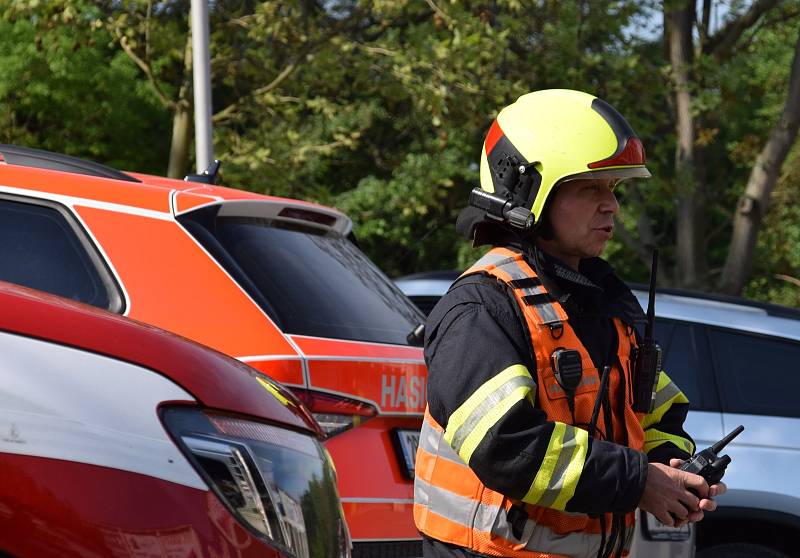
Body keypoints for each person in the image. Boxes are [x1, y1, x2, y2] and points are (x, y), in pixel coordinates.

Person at [413, 89, 726, 558]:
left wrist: (671, 468)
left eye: (613, 189)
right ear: (529, 191)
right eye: (590, 188)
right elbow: (508, 446)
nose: (611, 206)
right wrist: (640, 482)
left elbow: (658, 415)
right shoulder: (482, 308)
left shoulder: (600, 307)